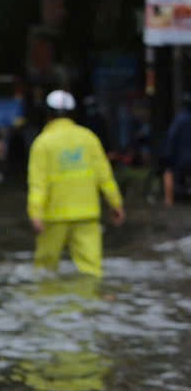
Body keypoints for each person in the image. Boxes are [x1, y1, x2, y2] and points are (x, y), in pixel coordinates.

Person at [27, 89, 125, 277]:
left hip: (54, 217)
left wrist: (35, 213)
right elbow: (105, 176)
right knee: (92, 270)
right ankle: (89, 305)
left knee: (44, 271)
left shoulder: (42, 143)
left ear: (48, 114)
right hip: (86, 214)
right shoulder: (89, 138)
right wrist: (116, 203)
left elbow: (37, 184)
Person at [162, 92, 191, 207]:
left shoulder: (179, 120)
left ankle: (168, 200)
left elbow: (171, 139)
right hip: (184, 158)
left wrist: (167, 157)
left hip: (181, 160)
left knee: (168, 172)